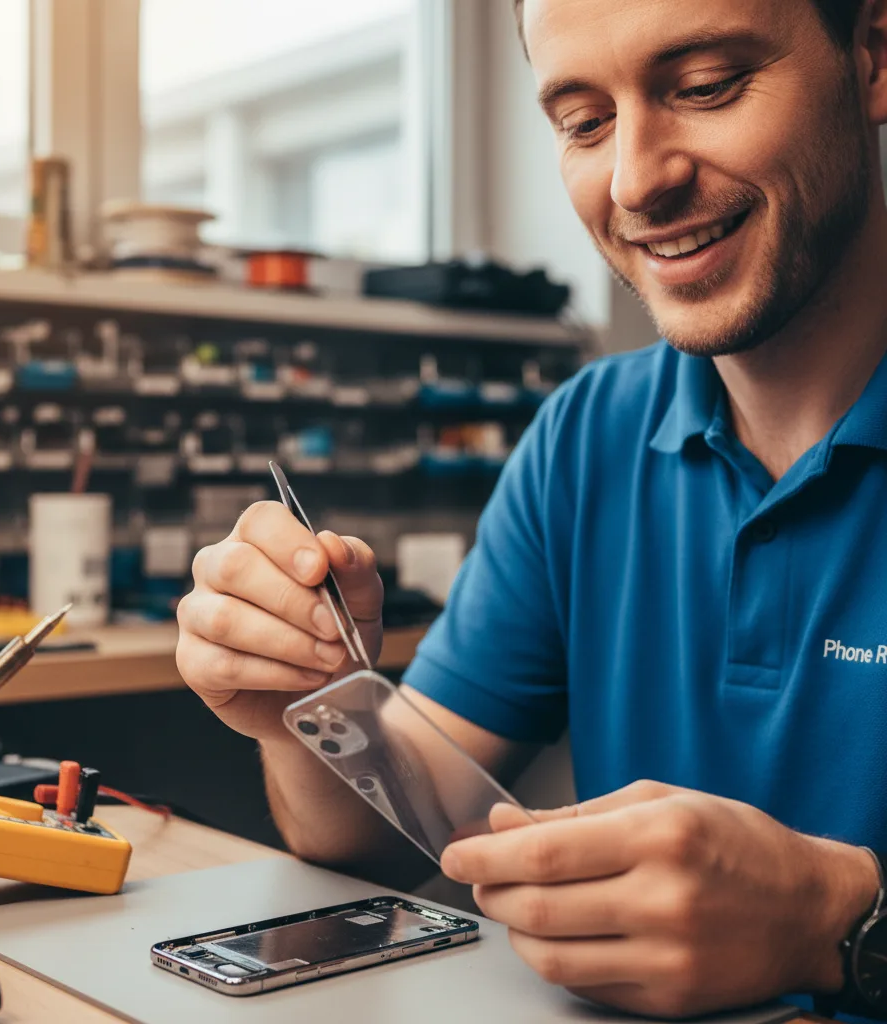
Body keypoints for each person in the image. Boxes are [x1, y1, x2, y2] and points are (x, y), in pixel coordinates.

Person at [176, 0, 887, 1016]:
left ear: (871, 54)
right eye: (585, 122)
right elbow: (379, 836)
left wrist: (838, 923)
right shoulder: (585, 436)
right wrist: (314, 707)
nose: (635, 181)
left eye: (704, 88)